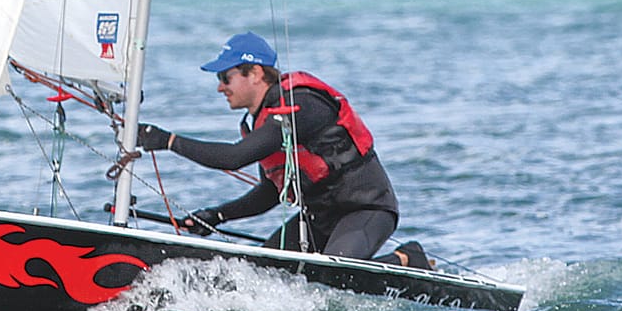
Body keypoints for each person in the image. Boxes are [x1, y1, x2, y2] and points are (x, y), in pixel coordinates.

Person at [134, 31, 431, 269]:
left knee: (335, 275)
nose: (220, 88)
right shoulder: (261, 120)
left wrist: (169, 141)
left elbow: (234, 158)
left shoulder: (300, 105)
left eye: (225, 77)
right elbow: (269, 192)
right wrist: (217, 215)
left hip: (365, 209)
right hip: (318, 218)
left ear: (255, 73)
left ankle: (408, 258)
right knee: (265, 276)